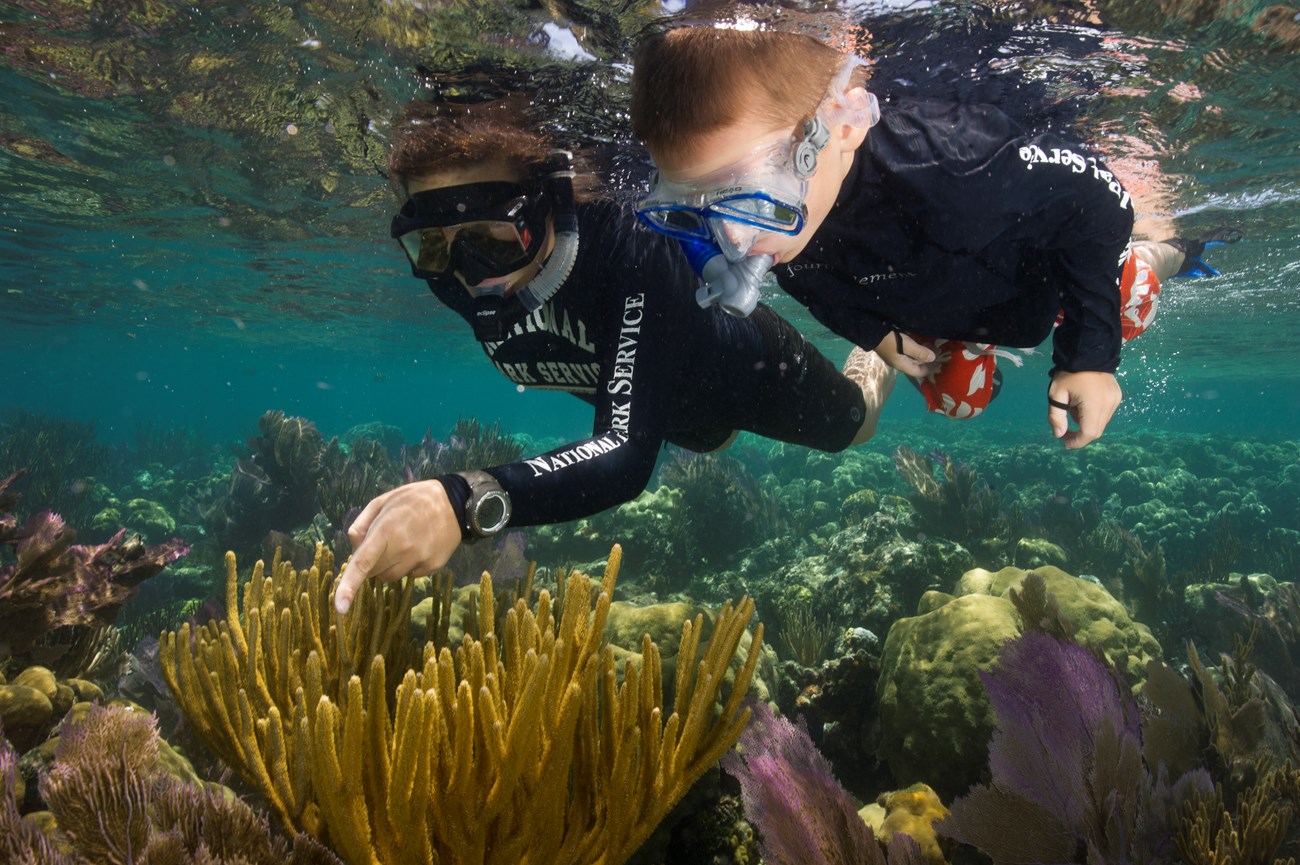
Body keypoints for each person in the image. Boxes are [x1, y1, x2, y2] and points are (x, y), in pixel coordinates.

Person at [333, 101, 896, 613]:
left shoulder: (630, 247)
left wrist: (463, 500)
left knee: (857, 424)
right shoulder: (459, 278)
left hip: (744, 372)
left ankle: (884, 346)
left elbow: (623, 457)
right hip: (663, 410)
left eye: (499, 237)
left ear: (551, 204)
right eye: (431, 245)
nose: (471, 274)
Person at [628, 23, 1240, 448]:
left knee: (1127, 300)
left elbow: (1101, 201)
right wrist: (876, 336)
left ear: (842, 126)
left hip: (1042, 282)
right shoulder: (782, 229)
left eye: (754, 187)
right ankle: (987, 348)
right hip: (948, 304)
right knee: (958, 401)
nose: (732, 237)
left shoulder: (950, 165)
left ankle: (1171, 252)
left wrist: (1089, 360)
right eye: (694, 207)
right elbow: (816, 287)